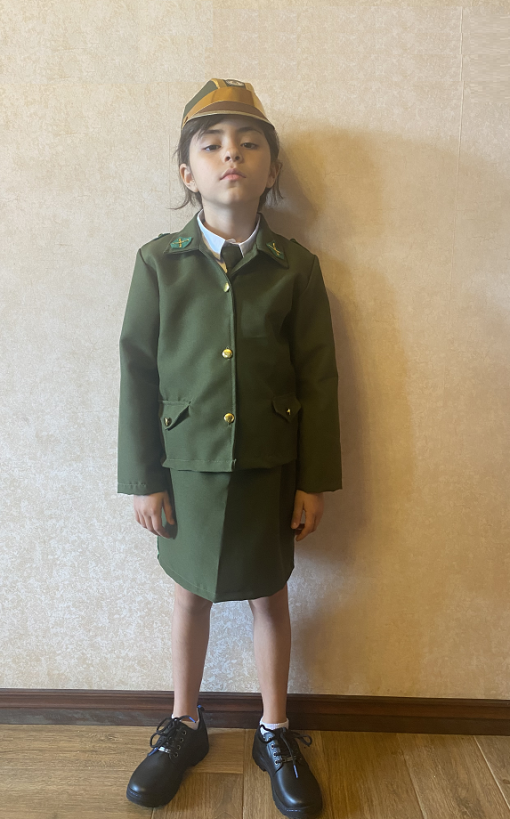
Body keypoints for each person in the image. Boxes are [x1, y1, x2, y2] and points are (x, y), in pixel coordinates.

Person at [117, 78, 342, 818]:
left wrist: (313, 480)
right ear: (189, 173)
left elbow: (318, 377)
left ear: (272, 170)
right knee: (188, 595)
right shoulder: (159, 261)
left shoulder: (297, 267)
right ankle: (183, 724)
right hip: (183, 469)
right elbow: (138, 371)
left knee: (270, 594)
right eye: (211, 145)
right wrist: (144, 478)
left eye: (249, 143)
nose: (231, 155)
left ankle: (274, 729)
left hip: (270, 467)